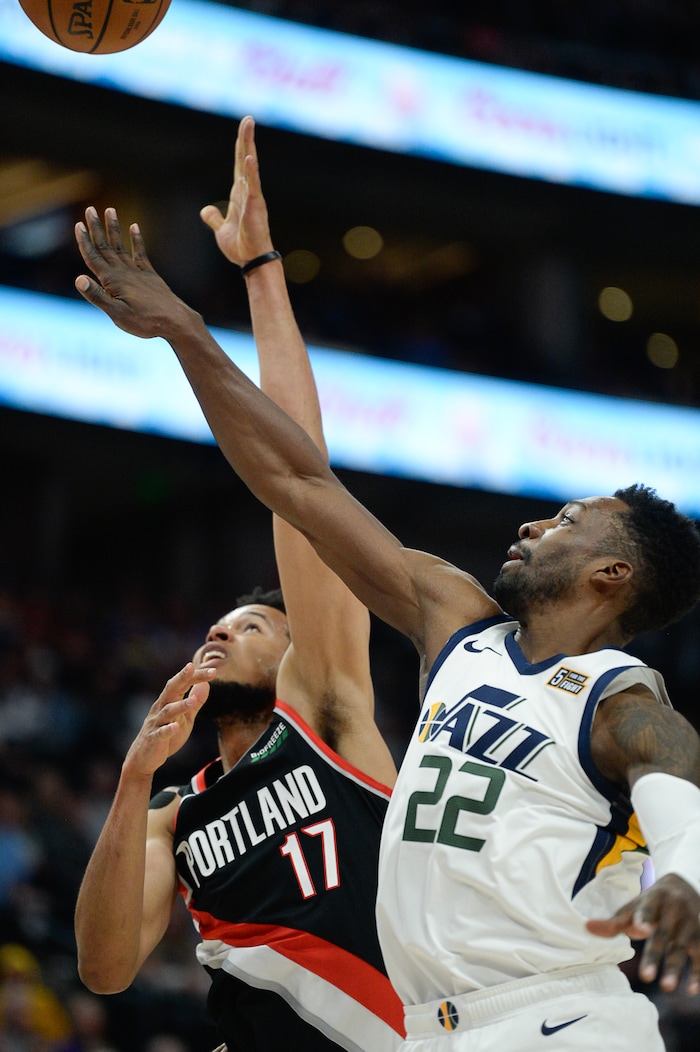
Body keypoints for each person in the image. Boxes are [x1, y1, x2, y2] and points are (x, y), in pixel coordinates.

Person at [73, 124, 700, 1052]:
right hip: (434, 1030)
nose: (532, 525)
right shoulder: (455, 621)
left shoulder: (615, 697)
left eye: (566, 520)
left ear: (615, 575)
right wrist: (189, 328)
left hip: (563, 1019)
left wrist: (685, 871)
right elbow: (298, 482)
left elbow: (672, 763)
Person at [73, 118, 404, 1052]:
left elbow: (302, 477)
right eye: (214, 626)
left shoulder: (330, 716)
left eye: (251, 626)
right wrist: (137, 776)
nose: (218, 635)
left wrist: (261, 274)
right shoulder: (174, 819)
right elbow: (104, 969)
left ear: (300, 650)